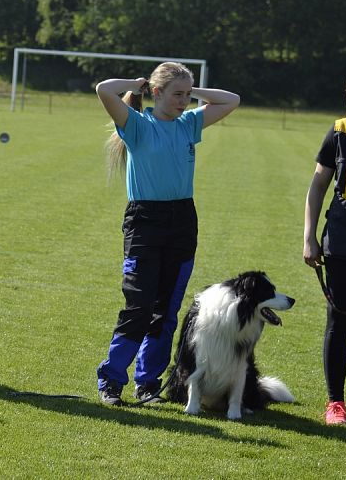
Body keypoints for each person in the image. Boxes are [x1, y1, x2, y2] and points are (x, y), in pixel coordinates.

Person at [94, 62, 240, 405]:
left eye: (187, 96)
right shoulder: (137, 125)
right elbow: (104, 89)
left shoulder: (189, 124)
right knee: (138, 307)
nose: (184, 102)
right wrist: (136, 83)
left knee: (166, 310)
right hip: (145, 222)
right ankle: (111, 382)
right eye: (177, 95)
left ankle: (147, 384)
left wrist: (193, 91)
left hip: (182, 222)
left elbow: (231, 100)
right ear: (156, 93)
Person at [303, 67, 346, 425]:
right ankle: (335, 403)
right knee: (339, 321)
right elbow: (317, 186)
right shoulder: (340, 131)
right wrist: (309, 236)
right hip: (342, 236)